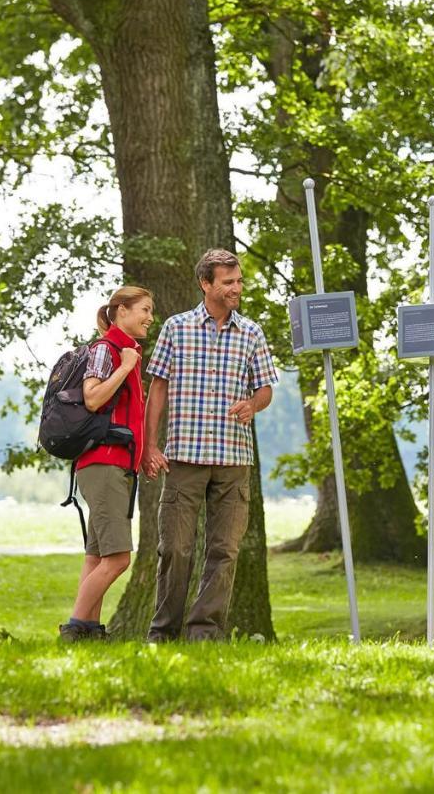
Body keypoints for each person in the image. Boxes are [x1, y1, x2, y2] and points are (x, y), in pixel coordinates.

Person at [142, 248, 277, 642]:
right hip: (185, 457)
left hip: (234, 460)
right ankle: (162, 634)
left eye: (239, 281)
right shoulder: (176, 328)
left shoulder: (251, 332)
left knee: (224, 552)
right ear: (206, 284)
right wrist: (151, 446)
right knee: (176, 550)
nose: (237, 288)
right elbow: (158, 388)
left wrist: (253, 404)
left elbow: (266, 388)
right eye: (228, 282)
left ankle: (205, 634)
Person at [58, 286, 154, 642]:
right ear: (121, 311)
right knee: (118, 559)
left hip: (114, 465)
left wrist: (144, 456)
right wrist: (126, 366)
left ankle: (90, 634)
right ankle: (75, 629)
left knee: (97, 557)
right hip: (104, 464)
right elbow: (94, 398)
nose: (149, 317)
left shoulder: (124, 351)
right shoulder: (106, 350)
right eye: (144, 309)